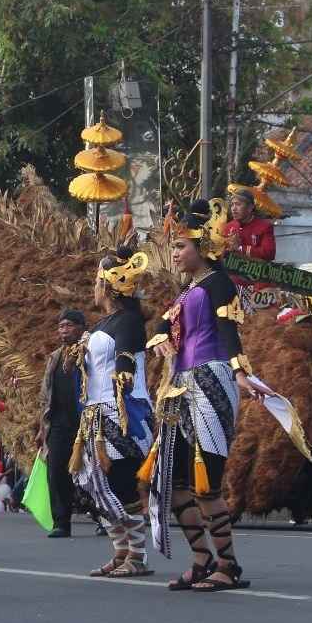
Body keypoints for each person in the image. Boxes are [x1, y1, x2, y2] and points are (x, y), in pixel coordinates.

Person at [145, 198, 259, 592]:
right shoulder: (187, 289)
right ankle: (201, 558)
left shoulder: (219, 284)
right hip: (179, 386)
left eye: (181, 247)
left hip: (211, 380)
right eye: (174, 247)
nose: (174, 253)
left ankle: (228, 565)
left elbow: (229, 333)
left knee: (206, 483)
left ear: (202, 247)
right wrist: (160, 338)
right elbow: (162, 323)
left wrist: (240, 372)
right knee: (172, 480)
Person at [74, 250, 156, 578]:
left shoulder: (130, 322)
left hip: (123, 414)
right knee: (95, 485)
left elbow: (125, 360)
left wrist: (122, 369)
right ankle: (120, 550)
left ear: (106, 287)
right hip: (96, 415)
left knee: (120, 484)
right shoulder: (102, 323)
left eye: (96, 281)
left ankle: (137, 556)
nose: (92, 288)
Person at [37, 309, 86, 538]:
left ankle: (103, 517)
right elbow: (45, 396)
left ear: (81, 327)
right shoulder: (55, 357)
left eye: (68, 325)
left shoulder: (89, 352)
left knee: (93, 472)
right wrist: (41, 428)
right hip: (58, 423)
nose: (63, 330)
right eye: (60, 326)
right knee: (56, 472)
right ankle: (61, 522)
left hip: (86, 422)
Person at [223, 189, 275, 262]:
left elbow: (269, 254)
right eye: (232, 205)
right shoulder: (228, 226)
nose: (234, 209)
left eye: (238, 204)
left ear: (250, 207)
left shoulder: (264, 226)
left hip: (255, 271)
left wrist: (239, 248)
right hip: (231, 272)